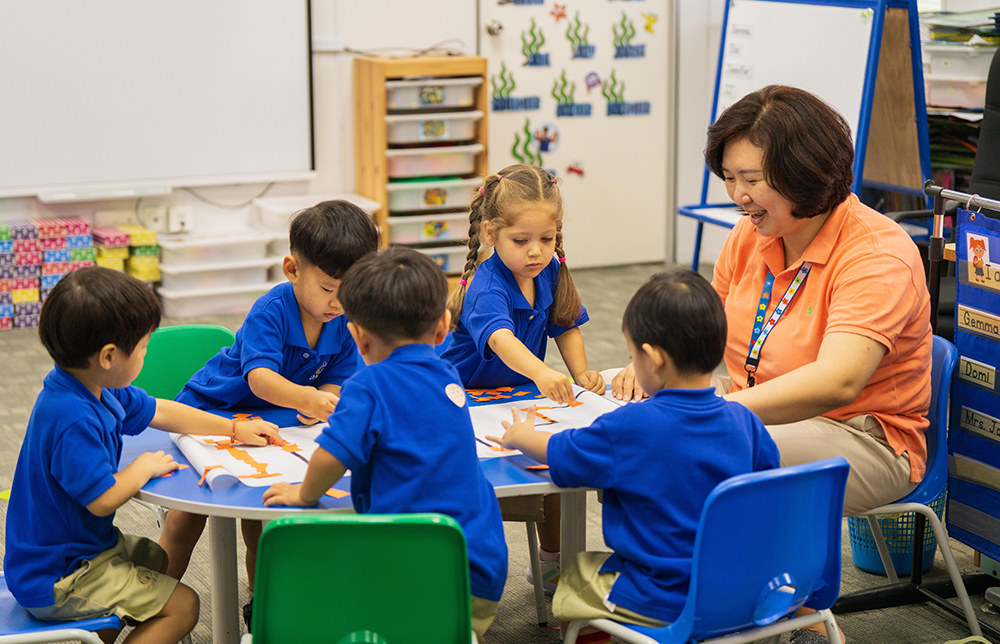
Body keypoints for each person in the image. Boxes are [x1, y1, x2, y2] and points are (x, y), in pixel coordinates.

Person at [614, 85, 932, 641]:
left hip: (863, 435)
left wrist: (715, 411)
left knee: (696, 448)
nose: (737, 195)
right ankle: (694, 601)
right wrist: (648, 368)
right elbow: (695, 331)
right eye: (730, 178)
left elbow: (839, 380)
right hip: (756, 413)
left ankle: (748, 610)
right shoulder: (751, 235)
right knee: (648, 432)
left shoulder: (876, 253)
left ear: (805, 171)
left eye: (752, 180)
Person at [488, 269, 779, 636]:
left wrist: (520, 435)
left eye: (631, 355)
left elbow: (560, 452)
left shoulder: (631, 426)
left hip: (659, 594)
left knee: (576, 575)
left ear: (652, 358)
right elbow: (770, 485)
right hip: (743, 590)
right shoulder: (746, 420)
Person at [4, 267, 278, 644]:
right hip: (59, 575)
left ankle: (104, 634)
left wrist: (233, 428)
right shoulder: (73, 418)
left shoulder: (96, 386)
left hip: (74, 553)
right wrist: (142, 466)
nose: (147, 354)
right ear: (108, 356)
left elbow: (162, 412)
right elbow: (102, 500)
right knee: (184, 606)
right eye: (144, 346)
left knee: (157, 560)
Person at [262, 248, 508, 642]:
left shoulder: (367, 386)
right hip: (478, 572)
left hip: (406, 574)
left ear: (357, 336)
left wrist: (303, 495)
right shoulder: (448, 375)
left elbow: (331, 455)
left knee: (317, 593)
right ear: (443, 327)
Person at [163, 200, 379, 624]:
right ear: (292, 269)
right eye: (329, 289)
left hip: (274, 424)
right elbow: (261, 379)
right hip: (214, 412)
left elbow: (338, 376)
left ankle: (261, 606)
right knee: (187, 517)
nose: (339, 303)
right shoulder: (272, 309)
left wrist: (325, 401)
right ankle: (152, 603)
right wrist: (308, 399)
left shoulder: (346, 317)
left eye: (352, 291)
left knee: (266, 516)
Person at [441, 163, 604, 592]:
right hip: (461, 397)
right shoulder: (486, 284)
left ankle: (551, 564)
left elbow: (565, 324)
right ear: (492, 234)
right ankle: (461, 574)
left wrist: (581, 373)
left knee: (551, 462)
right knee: (471, 481)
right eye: (522, 241)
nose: (536, 251)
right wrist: (541, 371)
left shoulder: (549, 272)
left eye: (546, 240)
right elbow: (500, 339)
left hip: (513, 394)